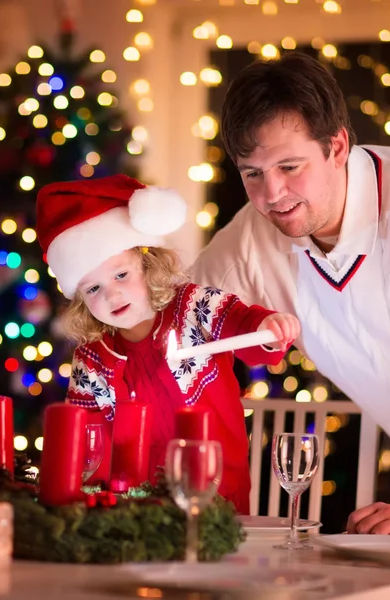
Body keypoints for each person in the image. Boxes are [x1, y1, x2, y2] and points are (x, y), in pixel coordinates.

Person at [191, 52, 390, 544]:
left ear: (337, 145)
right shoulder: (255, 237)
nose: (273, 194)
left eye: (290, 166)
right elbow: (181, 320)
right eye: (252, 173)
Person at [35, 174, 300, 514]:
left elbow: (244, 328)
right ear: (80, 299)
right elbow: (88, 442)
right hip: (133, 507)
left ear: (147, 266)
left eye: (121, 275)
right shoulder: (92, 359)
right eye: (93, 289)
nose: (112, 294)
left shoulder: (192, 306)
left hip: (215, 491)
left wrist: (267, 327)